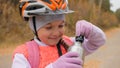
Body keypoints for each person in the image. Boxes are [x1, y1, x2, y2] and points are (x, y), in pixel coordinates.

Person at [12, 0, 106, 68]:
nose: (56, 33)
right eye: (48, 27)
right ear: (34, 27)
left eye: (61, 26)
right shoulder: (25, 54)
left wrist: (92, 30)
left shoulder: (69, 44)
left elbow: (98, 42)